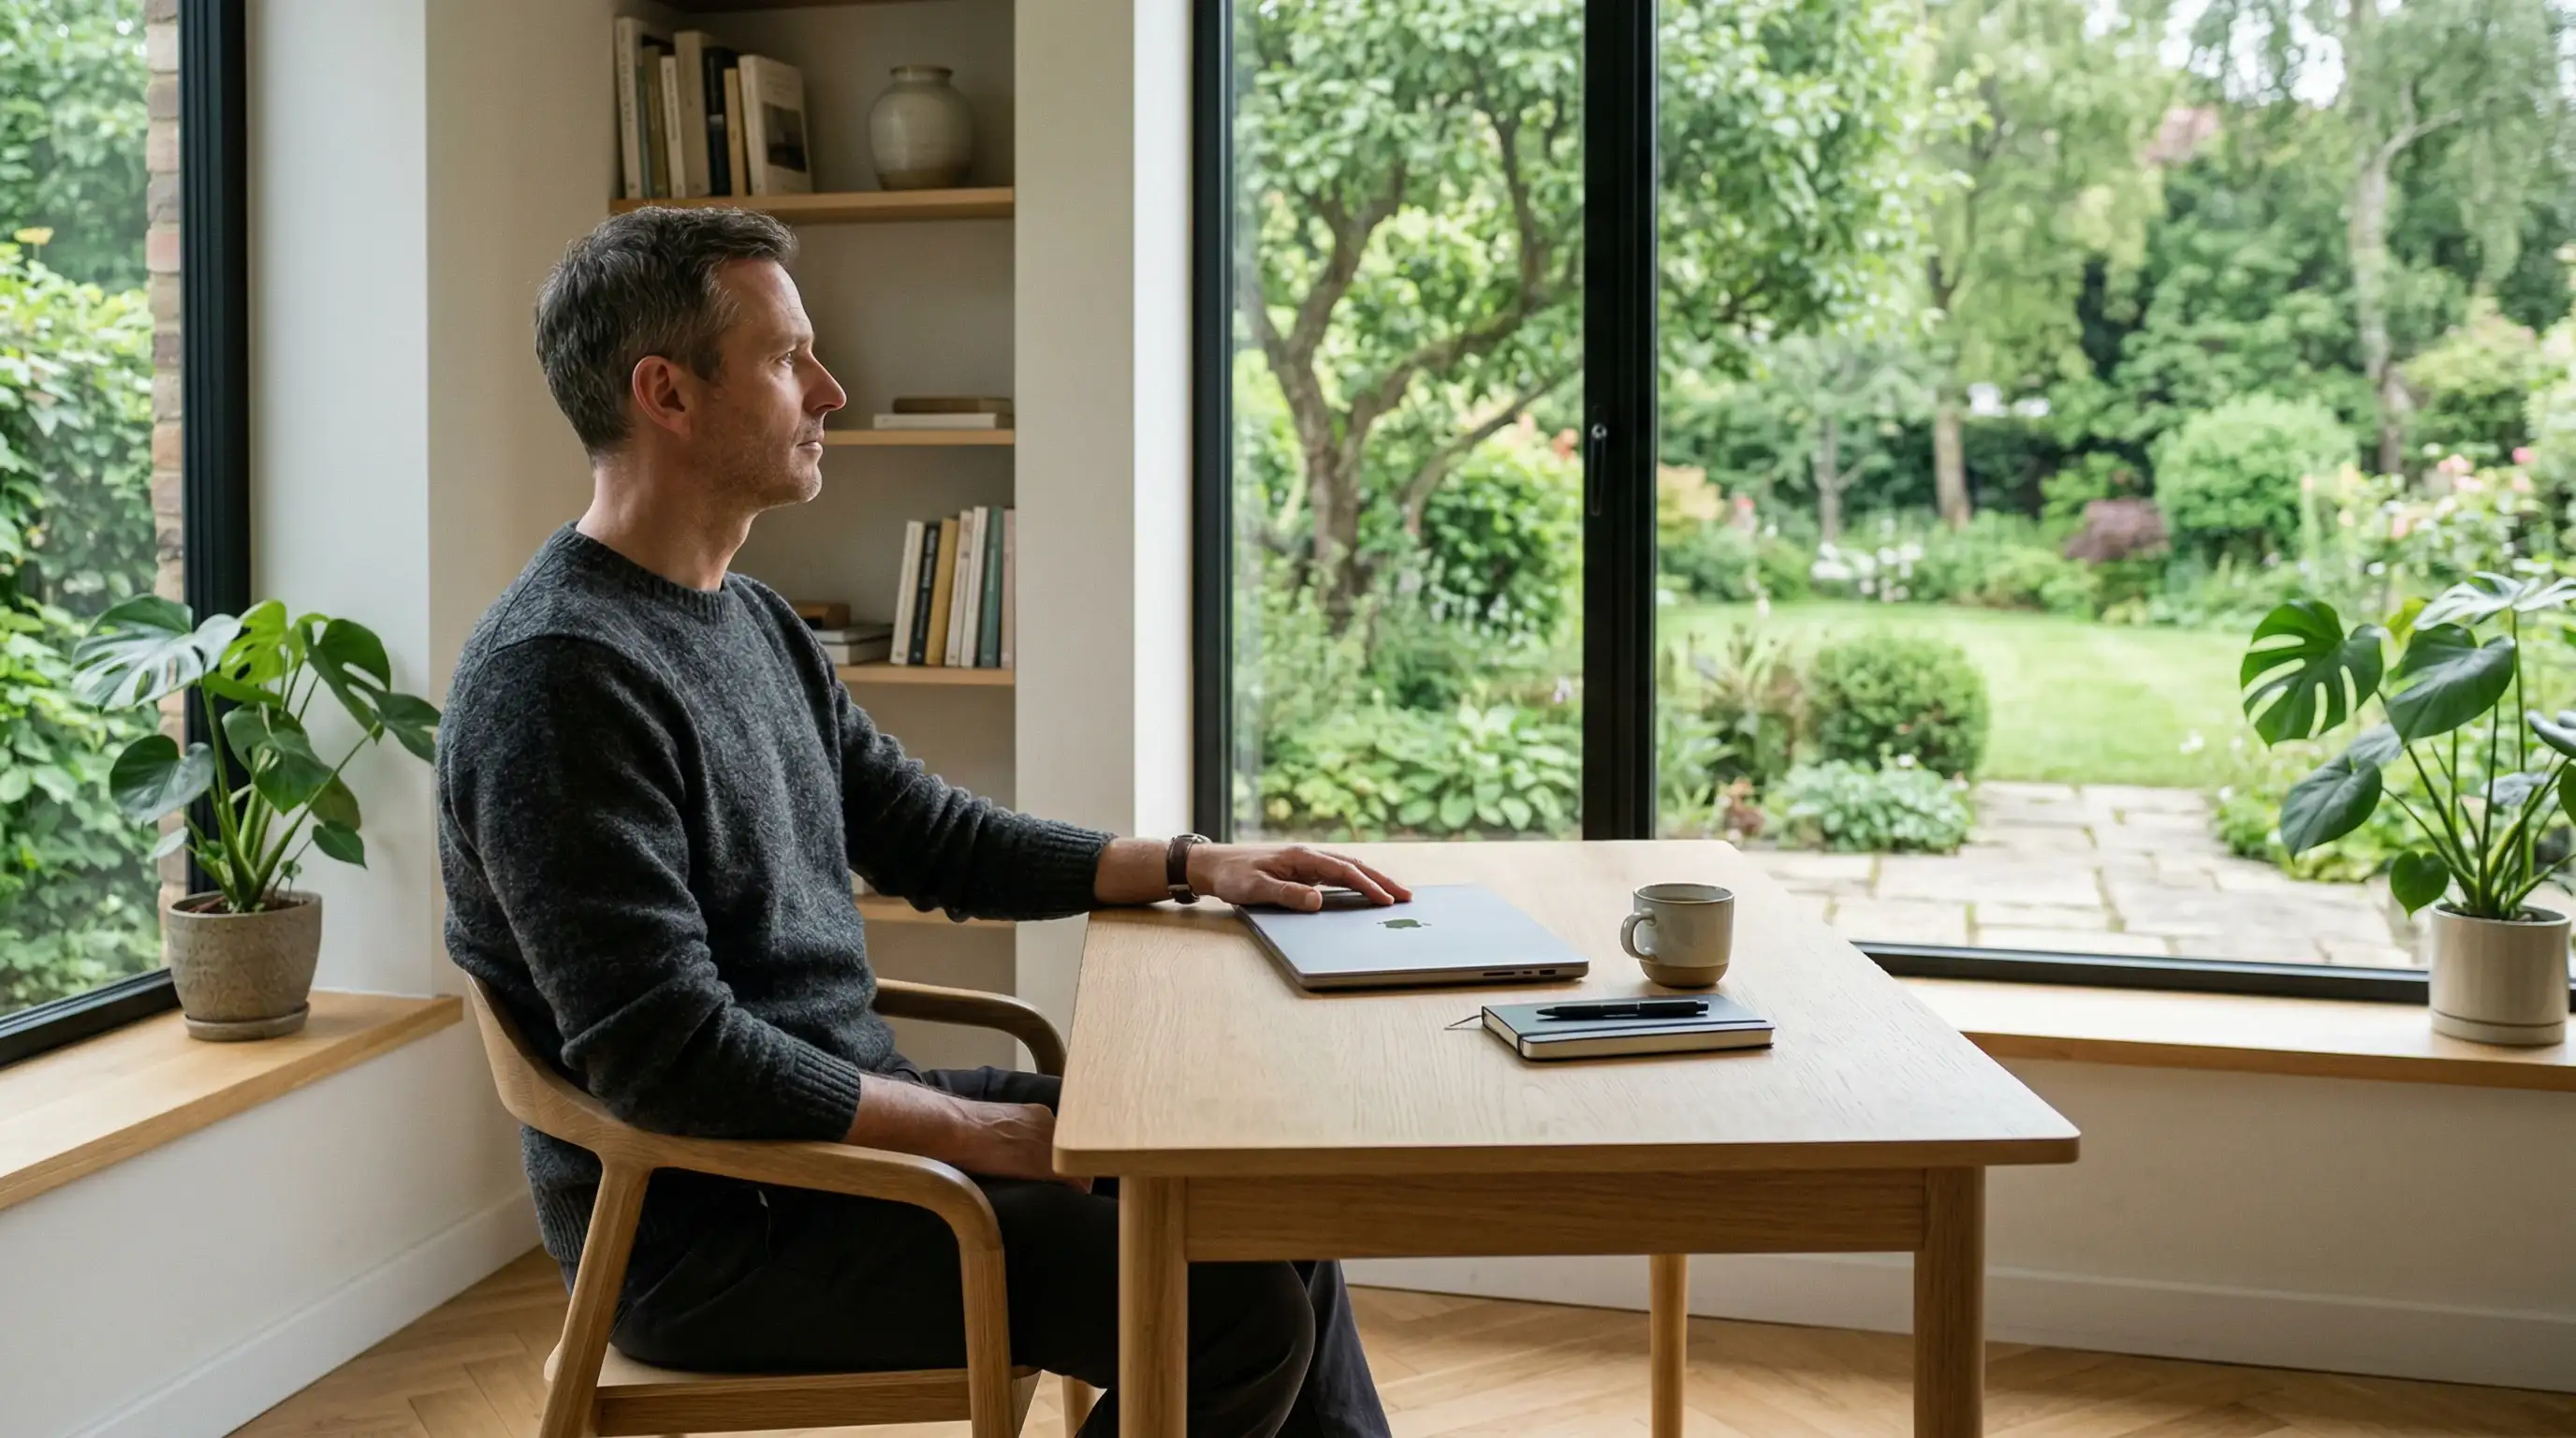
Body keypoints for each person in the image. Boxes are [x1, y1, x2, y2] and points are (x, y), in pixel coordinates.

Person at [436, 206, 1408, 1438]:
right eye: (787, 358)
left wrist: (1191, 865)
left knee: (1255, 1197)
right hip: (718, 1222)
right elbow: (668, 1058)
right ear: (666, 393)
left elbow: (927, 834)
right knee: (1232, 1314)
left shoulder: (753, 621)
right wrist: (971, 1132)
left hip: (839, 1137)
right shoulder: (558, 680)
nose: (830, 390)